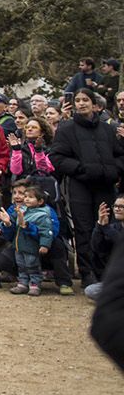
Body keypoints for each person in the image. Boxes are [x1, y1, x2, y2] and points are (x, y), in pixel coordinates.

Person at [50, 87, 123, 289]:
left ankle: (107, 271)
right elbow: (56, 157)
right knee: (83, 229)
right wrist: (81, 169)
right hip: (80, 185)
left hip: (105, 186)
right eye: (78, 100)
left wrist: (113, 170)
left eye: (85, 100)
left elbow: (120, 154)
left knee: (107, 227)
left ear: (94, 104)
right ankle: (87, 272)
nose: (81, 103)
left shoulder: (108, 129)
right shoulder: (66, 129)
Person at [0, 179, 55, 296]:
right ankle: (22, 283)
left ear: (40, 201)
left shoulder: (43, 214)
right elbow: (11, 220)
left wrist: (44, 245)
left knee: (32, 265)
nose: (25, 198)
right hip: (19, 245)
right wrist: (3, 224)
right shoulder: (19, 210)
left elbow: (47, 231)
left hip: (32, 246)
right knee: (21, 266)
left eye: (28, 196)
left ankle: (35, 284)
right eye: (15, 193)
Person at [87, 195, 124, 300]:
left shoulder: (109, 228)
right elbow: (96, 247)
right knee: (91, 290)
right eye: (115, 206)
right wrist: (99, 225)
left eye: (121, 206)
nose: (117, 209)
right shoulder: (113, 227)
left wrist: (105, 227)